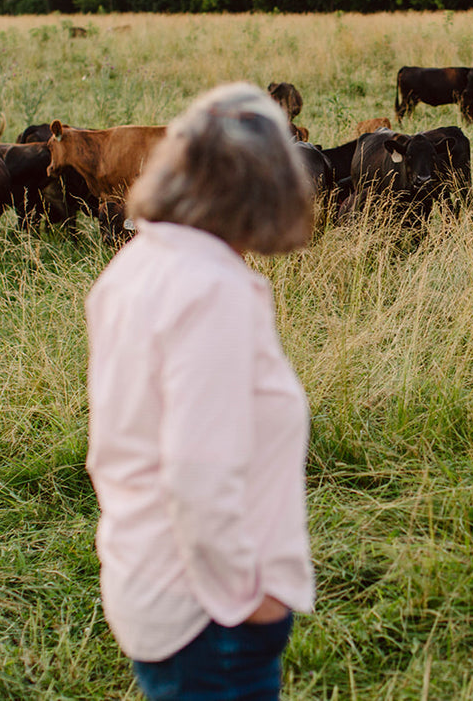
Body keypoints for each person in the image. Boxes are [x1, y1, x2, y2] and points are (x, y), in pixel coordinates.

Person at [85, 82, 316, 701]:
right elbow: (198, 474)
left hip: (145, 580)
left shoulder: (133, 266)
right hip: (210, 614)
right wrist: (250, 597)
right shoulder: (212, 287)